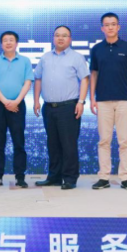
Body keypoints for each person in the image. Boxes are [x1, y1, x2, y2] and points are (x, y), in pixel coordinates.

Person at [33, 25, 89, 190]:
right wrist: (36, 101)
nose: (60, 38)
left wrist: (81, 102)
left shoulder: (77, 57)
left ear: (70, 39)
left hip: (68, 107)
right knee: (53, 144)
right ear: (53, 38)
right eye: (57, 35)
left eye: (64, 35)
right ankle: (54, 177)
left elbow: (85, 79)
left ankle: (70, 178)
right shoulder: (45, 58)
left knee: (68, 144)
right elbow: (38, 79)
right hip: (48, 107)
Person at [89, 12, 127, 191]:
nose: (110, 27)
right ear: (102, 28)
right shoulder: (97, 49)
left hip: (124, 100)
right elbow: (93, 74)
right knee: (104, 140)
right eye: (106, 24)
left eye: (113, 24)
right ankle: (104, 177)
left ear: (118, 27)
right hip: (103, 100)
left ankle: (125, 178)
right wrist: (92, 98)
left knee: (124, 141)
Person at [0, 31, 34, 188]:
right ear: (1, 44)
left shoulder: (25, 61)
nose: (8, 42)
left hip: (18, 105)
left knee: (19, 143)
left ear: (16, 43)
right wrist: (6, 101)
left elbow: (28, 83)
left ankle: (20, 177)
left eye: (11, 40)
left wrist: (16, 101)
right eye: (5, 40)